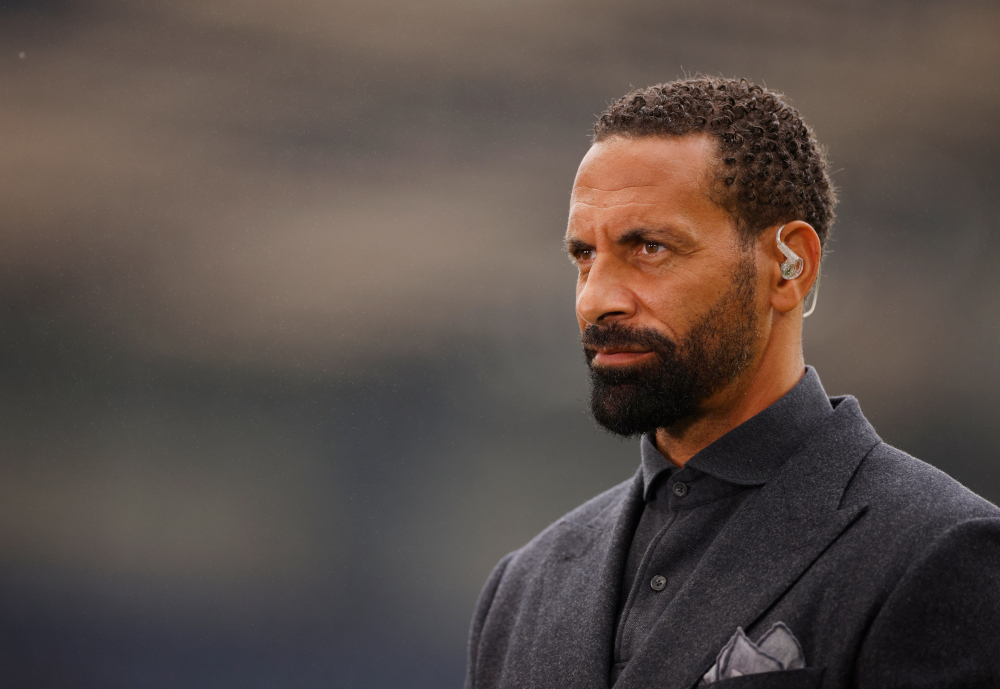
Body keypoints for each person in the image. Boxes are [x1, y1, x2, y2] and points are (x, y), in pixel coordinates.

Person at [464, 77, 1000, 689]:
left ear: (788, 266)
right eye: (585, 255)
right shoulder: (521, 590)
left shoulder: (939, 552)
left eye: (650, 247)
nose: (596, 300)